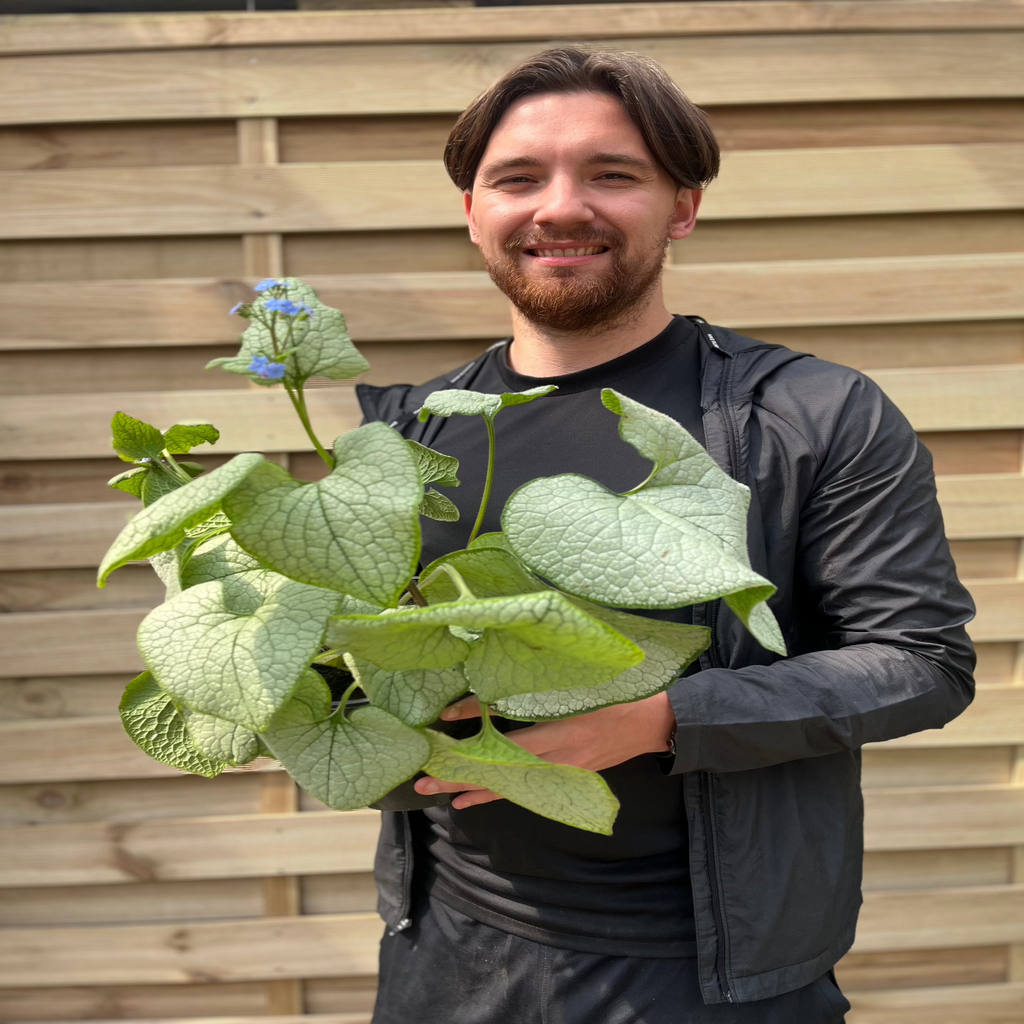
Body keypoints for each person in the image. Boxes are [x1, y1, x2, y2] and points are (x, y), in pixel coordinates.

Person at [356, 47, 975, 1024]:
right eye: (517, 177)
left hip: (714, 980)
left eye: (612, 174)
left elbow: (921, 660)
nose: (561, 207)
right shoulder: (404, 433)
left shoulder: (808, 413)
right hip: (448, 966)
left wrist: (656, 719)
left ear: (680, 206)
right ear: (472, 209)